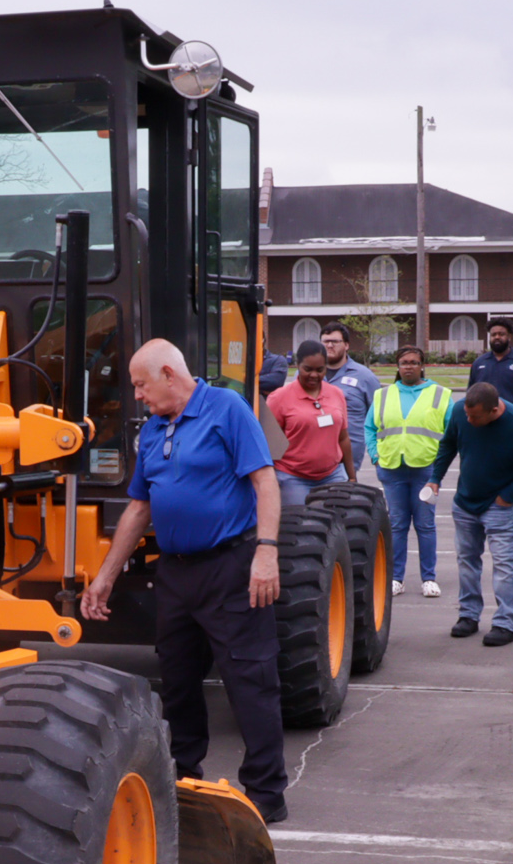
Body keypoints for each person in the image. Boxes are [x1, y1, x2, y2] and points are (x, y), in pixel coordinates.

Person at [82, 339, 288, 824]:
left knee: (250, 680)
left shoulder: (227, 409)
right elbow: (139, 507)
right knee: (177, 682)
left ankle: (265, 794)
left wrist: (266, 552)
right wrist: (105, 578)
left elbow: (265, 481)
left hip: (231, 568)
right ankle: (182, 778)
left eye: (140, 384)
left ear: (170, 374)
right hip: (175, 573)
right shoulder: (153, 430)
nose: (137, 395)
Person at [428, 381, 513, 644]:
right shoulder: (461, 411)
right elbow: (448, 445)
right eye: (467, 414)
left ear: (493, 410)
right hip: (465, 502)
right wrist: (435, 477)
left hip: (499, 506)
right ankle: (468, 615)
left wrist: (508, 496)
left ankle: (505, 623)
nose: (468, 420)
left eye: (475, 416)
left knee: (503, 564)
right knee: (467, 561)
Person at [365, 345, 451, 597]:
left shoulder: (439, 394)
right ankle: (396, 578)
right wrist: (375, 455)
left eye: (414, 362)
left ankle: (429, 578)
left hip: (426, 469)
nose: (409, 366)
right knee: (397, 524)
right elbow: (370, 428)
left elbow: (453, 432)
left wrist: (440, 465)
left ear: (422, 365)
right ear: (397, 366)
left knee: (425, 524)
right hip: (391, 469)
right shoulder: (383, 395)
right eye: (404, 362)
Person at [266, 339, 355, 504]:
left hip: (333, 475)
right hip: (293, 478)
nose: (314, 375)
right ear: (297, 365)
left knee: (336, 525)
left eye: (320, 370)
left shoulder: (336, 394)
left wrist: (352, 477)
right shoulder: (278, 398)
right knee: (302, 526)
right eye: (307, 369)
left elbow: (343, 438)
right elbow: (268, 447)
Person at [321, 323, 380, 440]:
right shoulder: (306, 375)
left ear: (346, 345)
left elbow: (378, 418)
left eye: (335, 342)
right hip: (315, 450)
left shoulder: (365, 377)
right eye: (325, 342)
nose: (329, 345)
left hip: (351, 451)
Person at [468, 321, 513, 417]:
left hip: (512, 420)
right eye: (493, 334)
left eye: (501, 334)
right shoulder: (479, 363)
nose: (497, 337)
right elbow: (470, 393)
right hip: (484, 420)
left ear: (509, 337)